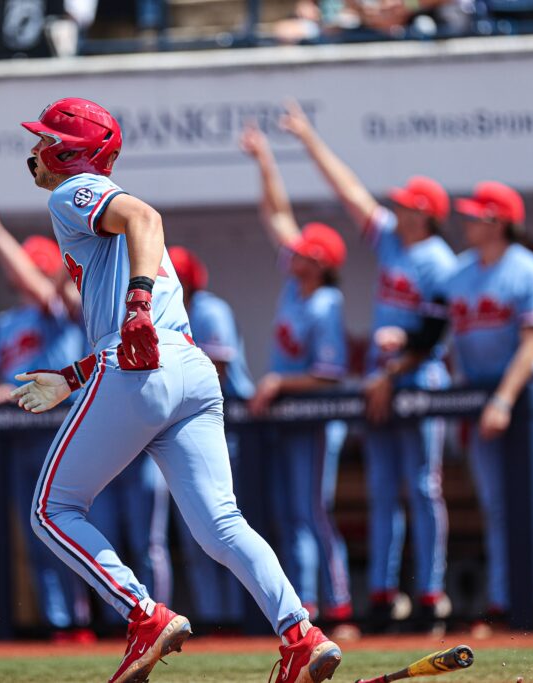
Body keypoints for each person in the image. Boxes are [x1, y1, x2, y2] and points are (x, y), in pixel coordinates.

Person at [15, 97, 342, 683]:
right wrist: (72, 375)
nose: (34, 149)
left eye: (44, 140)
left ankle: (143, 614)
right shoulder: (96, 212)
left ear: (69, 152)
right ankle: (300, 633)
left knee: (51, 509)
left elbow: (145, 220)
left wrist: (136, 302)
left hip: (144, 365)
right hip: (187, 369)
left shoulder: (73, 191)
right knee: (222, 524)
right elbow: (144, 330)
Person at [279, 101, 455, 632]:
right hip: (382, 380)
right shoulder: (390, 241)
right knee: (383, 487)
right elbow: (350, 192)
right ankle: (383, 592)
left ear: (424, 213)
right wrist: (309, 139)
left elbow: (437, 329)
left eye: (406, 206)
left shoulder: (438, 259)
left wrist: (398, 360)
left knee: (423, 486)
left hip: (418, 378)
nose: (396, 210)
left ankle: (430, 593)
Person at [389, 181, 533, 636]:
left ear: (499, 222)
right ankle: (502, 601)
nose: (466, 221)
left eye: (476, 215)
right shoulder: (460, 272)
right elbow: (432, 331)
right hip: (479, 397)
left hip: (528, 394)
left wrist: (504, 400)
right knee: (494, 504)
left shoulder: (528, 270)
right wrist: (402, 349)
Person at [238, 124, 354, 634]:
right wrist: (265, 160)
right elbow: (276, 216)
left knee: (311, 513)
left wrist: (280, 384)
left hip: (315, 416)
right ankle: (306, 608)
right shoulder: (295, 284)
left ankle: (336, 607)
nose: (294, 252)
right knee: (292, 515)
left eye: (305, 251)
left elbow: (330, 375)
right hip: (288, 415)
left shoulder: (327, 301)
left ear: (320, 262)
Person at [0, 188, 93, 639]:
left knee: (65, 529)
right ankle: (59, 625)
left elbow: (43, 288)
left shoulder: (57, 310)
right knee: (37, 538)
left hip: (57, 429)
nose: (16, 272)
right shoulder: (5, 321)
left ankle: (81, 622)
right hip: (19, 435)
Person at [166, 245, 250, 627]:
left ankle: (235, 621)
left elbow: (216, 373)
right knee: (195, 538)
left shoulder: (210, 309)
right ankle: (216, 624)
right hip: (185, 430)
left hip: (227, 431)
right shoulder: (163, 311)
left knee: (225, 531)